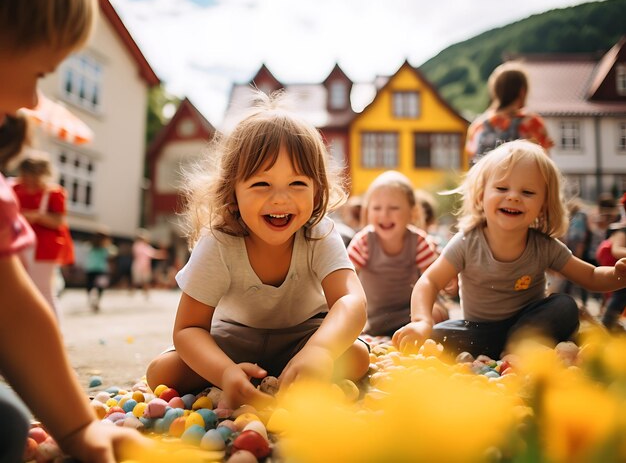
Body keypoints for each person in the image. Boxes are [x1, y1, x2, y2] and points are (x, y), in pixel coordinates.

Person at [146, 93, 369, 409]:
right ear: (232, 192)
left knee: (356, 356)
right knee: (162, 373)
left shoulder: (319, 234)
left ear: (317, 189)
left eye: (297, 184)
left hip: (304, 335)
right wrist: (224, 373)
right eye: (262, 184)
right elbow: (188, 329)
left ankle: (296, 369)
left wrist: (319, 350)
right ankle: (249, 378)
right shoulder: (220, 242)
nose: (280, 199)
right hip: (236, 340)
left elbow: (351, 301)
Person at [0, 0, 150, 461]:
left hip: (44, 253)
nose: (30, 101)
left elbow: (13, 309)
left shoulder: (33, 195)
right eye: (39, 74)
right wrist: (80, 428)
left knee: (9, 419)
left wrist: (80, 428)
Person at [393, 140, 626, 359]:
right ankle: (515, 350)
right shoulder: (467, 242)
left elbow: (590, 276)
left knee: (564, 306)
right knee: (436, 336)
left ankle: (520, 347)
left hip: (531, 326)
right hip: (479, 332)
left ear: (543, 205)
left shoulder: (543, 246)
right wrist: (421, 321)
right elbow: (429, 282)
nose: (513, 197)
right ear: (482, 194)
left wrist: (618, 275)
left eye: (527, 192)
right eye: (502, 188)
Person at [347, 171, 448, 338]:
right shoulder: (364, 242)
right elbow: (346, 279)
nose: (384, 215)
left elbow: (433, 280)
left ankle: (417, 335)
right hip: (373, 319)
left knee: (439, 311)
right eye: (376, 208)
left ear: (412, 213)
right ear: (368, 212)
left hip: (412, 315)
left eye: (393, 208)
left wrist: (448, 283)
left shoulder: (418, 242)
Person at [12, 151, 73, 317]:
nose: (29, 180)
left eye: (33, 176)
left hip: (44, 248)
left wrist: (37, 216)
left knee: (44, 289)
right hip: (17, 244)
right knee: (17, 287)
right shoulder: (14, 188)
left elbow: (59, 221)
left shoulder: (53, 193)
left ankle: (52, 329)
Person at [465, 62, 553, 165]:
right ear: (522, 91)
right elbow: (545, 164)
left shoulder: (477, 126)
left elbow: (471, 162)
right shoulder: (532, 123)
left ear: (495, 90)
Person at [598, 192, 626, 331]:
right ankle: (606, 327)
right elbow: (617, 249)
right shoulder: (623, 230)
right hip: (619, 271)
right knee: (618, 297)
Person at [558, 197, 592, 307]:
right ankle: (582, 302)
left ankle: (565, 298)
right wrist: (579, 252)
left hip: (570, 249)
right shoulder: (580, 215)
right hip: (578, 250)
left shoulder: (572, 215)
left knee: (571, 276)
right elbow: (578, 236)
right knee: (581, 275)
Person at [85, 229, 117, 312]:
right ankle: (96, 301)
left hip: (92, 268)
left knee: (91, 286)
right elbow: (113, 253)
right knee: (99, 287)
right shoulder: (106, 247)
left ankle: (92, 301)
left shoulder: (92, 246)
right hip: (101, 269)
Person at [131, 228, 167, 298]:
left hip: (144, 266)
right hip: (139, 265)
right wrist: (160, 254)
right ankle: (137, 292)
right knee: (137, 280)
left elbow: (153, 253)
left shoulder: (143, 246)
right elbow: (151, 253)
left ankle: (145, 293)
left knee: (144, 281)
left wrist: (161, 254)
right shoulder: (138, 245)